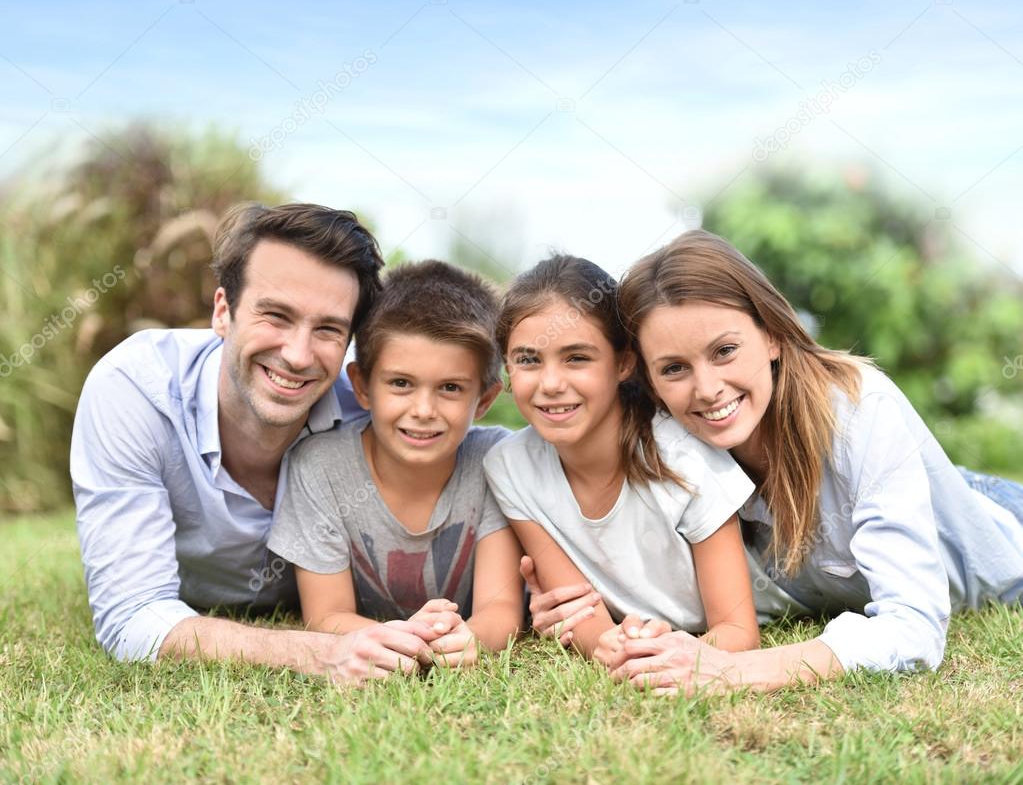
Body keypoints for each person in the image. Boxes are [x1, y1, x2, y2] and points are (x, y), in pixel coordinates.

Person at [591, 228, 1023, 694]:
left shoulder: (858, 408)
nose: (707, 388)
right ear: (651, 381)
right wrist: (577, 606)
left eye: (725, 351)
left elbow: (915, 628)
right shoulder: (672, 441)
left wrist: (733, 671)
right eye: (674, 368)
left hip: (993, 520)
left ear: (773, 335)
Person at [71, 202, 440, 683]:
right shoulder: (134, 388)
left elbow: (485, 463)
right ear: (223, 311)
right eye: (276, 316)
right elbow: (132, 617)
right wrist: (318, 654)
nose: (297, 354)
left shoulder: (378, 410)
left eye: (328, 329)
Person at [483, 255, 777, 669]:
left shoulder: (682, 456)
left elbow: (737, 631)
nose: (551, 384)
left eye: (577, 358)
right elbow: (577, 607)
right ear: (509, 369)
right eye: (529, 360)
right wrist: (608, 646)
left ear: (623, 362)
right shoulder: (509, 466)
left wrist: (662, 656)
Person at [268, 260, 523, 669]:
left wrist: (470, 639)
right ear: (362, 386)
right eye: (401, 383)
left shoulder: (495, 461)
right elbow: (325, 615)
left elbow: (502, 611)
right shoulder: (320, 468)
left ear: (486, 400)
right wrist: (409, 639)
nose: (423, 410)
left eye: (451, 388)